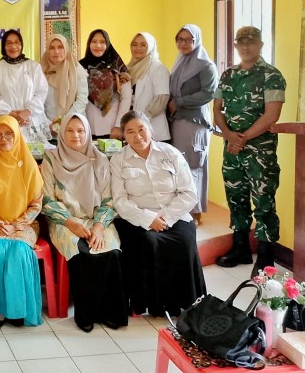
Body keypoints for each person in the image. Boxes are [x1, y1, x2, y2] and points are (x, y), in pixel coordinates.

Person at [110, 111, 205, 317]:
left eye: (141, 129)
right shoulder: (118, 160)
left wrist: (166, 217)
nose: (137, 136)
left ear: (150, 130)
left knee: (184, 240)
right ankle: (155, 305)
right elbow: (119, 201)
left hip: (174, 214)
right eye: (130, 132)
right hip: (136, 218)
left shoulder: (170, 153)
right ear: (124, 135)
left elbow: (189, 193)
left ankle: (187, 301)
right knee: (149, 241)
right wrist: (148, 219)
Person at [41, 114, 127, 332]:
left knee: (111, 251)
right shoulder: (51, 159)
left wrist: (98, 226)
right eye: (69, 131)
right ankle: (87, 315)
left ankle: (111, 312)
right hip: (64, 221)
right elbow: (46, 199)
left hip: (97, 219)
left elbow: (109, 199)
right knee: (83, 252)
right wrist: (70, 223)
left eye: (80, 130)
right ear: (62, 133)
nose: (75, 135)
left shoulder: (100, 159)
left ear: (88, 132)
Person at [213, 26, 285, 272]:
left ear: (261, 45)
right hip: (232, 151)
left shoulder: (271, 75)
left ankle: (266, 258)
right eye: (241, 43)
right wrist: (230, 136)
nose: (245, 47)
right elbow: (216, 110)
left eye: (251, 42)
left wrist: (240, 139)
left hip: (260, 153)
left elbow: (272, 114)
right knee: (236, 198)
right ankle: (241, 248)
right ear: (235, 46)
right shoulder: (227, 75)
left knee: (264, 201)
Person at [0, 115, 44, 327]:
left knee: (19, 250)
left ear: (17, 136)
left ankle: (19, 309)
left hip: (24, 224)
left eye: (9, 134)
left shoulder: (29, 165)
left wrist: (16, 224)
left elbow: (36, 204)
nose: (3, 138)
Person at [168, 24, 218, 224]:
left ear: (197, 40)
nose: (184, 43)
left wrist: (179, 102)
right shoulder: (180, 62)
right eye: (180, 39)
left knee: (193, 164)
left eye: (189, 40)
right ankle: (181, 210)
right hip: (178, 120)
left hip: (195, 122)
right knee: (179, 165)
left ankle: (194, 212)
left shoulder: (206, 65)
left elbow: (209, 93)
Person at [0, 29, 49, 142]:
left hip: (30, 120)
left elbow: (41, 92)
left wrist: (26, 112)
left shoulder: (33, 66)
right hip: (5, 121)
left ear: (21, 45)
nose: (13, 46)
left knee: (32, 157)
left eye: (17, 42)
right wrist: (10, 113)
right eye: (9, 43)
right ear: (3, 46)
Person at [79, 29, 131, 140]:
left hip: (112, 128)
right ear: (89, 44)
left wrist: (118, 126)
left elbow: (126, 98)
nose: (98, 45)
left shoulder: (118, 67)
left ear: (107, 44)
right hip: (86, 126)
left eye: (102, 42)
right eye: (94, 41)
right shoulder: (80, 66)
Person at [40, 34, 87, 139]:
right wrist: (50, 124)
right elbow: (38, 102)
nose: (56, 52)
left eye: (60, 47)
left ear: (66, 48)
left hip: (75, 126)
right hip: (48, 128)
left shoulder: (76, 70)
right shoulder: (40, 71)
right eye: (52, 48)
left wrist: (63, 121)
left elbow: (82, 100)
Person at [127, 32, 170, 142]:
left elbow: (161, 98)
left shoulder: (158, 68)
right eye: (134, 44)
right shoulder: (129, 68)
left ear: (150, 47)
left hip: (153, 129)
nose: (138, 48)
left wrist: (142, 121)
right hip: (134, 128)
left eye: (143, 45)